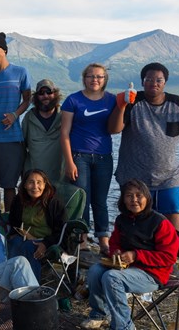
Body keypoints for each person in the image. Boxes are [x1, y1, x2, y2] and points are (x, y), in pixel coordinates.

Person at [108, 62, 179, 230]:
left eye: (158, 80)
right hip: (134, 175)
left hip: (168, 176)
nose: (153, 83)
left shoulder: (178, 103)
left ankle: (174, 251)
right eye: (149, 79)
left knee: (172, 213)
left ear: (165, 82)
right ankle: (136, 250)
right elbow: (113, 129)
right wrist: (122, 105)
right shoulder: (133, 101)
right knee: (135, 216)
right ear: (142, 82)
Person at [81, 179, 179, 330]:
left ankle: (124, 326)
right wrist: (116, 252)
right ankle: (99, 315)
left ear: (147, 198)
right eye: (129, 195)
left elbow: (169, 257)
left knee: (111, 277)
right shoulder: (122, 220)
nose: (134, 200)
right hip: (126, 268)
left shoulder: (160, 222)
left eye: (139, 195)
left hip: (152, 274)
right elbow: (114, 243)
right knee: (95, 271)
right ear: (123, 199)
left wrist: (135, 255)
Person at [60, 63, 116, 253]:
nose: (95, 80)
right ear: (84, 78)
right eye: (91, 76)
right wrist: (69, 161)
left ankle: (103, 240)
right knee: (82, 199)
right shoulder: (73, 100)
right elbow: (64, 133)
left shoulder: (111, 100)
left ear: (105, 80)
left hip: (103, 157)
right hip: (79, 156)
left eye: (99, 77)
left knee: (100, 200)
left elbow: (117, 125)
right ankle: (82, 239)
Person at [0, 32, 32, 212]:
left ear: (4, 50)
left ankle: (10, 223)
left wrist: (15, 115)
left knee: (9, 185)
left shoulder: (20, 72)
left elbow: (27, 99)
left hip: (11, 137)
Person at [7, 169, 66, 279]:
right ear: (24, 185)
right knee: (13, 243)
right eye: (31, 182)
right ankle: (11, 279)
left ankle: (32, 285)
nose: (35, 186)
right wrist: (17, 233)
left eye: (39, 182)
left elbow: (62, 230)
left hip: (47, 240)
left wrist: (45, 243)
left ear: (45, 184)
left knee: (28, 247)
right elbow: (13, 221)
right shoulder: (18, 200)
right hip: (24, 236)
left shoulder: (54, 203)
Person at [22, 79, 64, 182]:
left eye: (49, 92)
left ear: (55, 94)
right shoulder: (29, 117)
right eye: (41, 93)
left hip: (60, 177)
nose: (45, 96)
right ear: (36, 97)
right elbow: (21, 146)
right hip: (34, 179)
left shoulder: (64, 115)